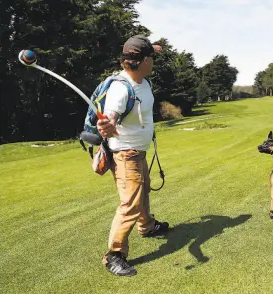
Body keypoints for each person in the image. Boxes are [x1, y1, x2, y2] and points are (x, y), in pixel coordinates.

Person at [97, 34, 169, 277]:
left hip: (138, 151)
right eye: (152, 57)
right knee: (130, 204)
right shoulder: (120, 88)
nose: (154, 61)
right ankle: (114, 255)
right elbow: (112, 116)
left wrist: (153, 47)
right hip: (125, 154)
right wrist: (107, 125)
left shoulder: (142, 81)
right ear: (143, 61)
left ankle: (147, 226)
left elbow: (152, 49)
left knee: (144, 189)